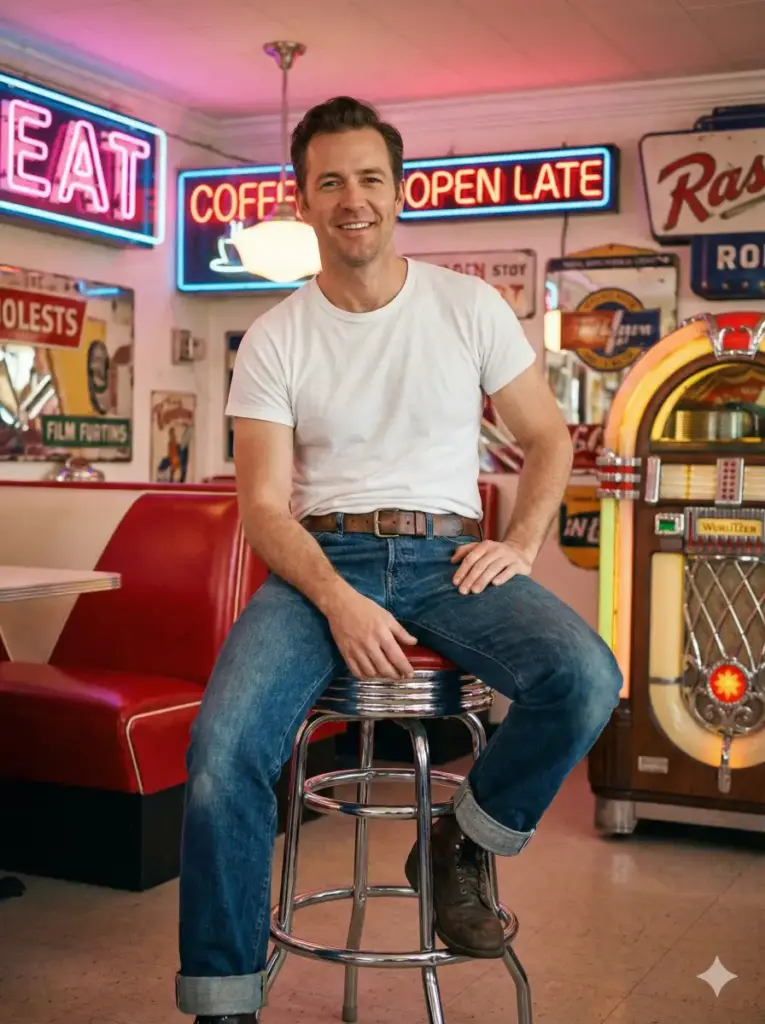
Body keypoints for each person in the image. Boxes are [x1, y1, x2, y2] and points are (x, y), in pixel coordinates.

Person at [176, 96, 622, 1024]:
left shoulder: (468, 307)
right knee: (222, 752)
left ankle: (458, 843)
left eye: (369, 178)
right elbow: (261, 506)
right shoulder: (274, 337)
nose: (352, 199)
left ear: (399, 191)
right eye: (329, 180)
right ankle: (223, 1003)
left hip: (447, 557)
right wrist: (337, 599)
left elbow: (547, 440)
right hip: (319, 560)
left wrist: (521, 543)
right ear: (301, 200)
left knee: (585, 678)